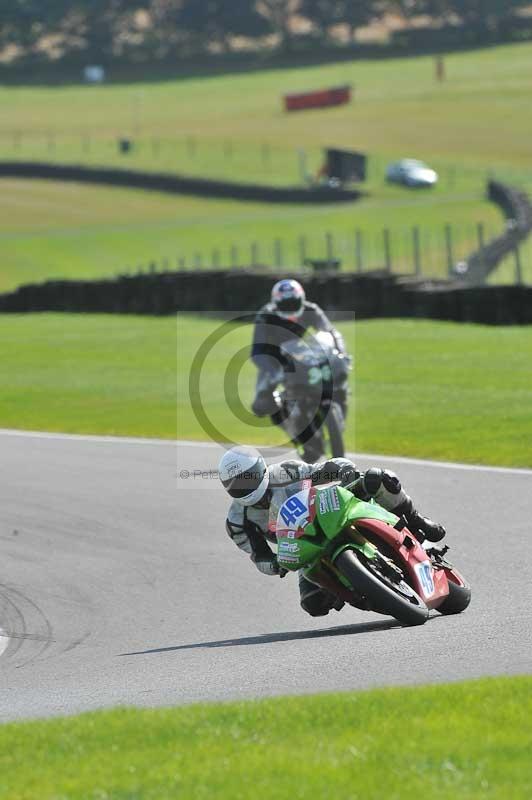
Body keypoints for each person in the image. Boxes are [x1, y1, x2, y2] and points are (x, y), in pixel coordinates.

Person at [219, 446, 446, 618]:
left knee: (378, 478)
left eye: (248, 478)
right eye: (237, 483)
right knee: (313, 603)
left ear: (260, 469)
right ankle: (364, 588)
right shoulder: (238, 522)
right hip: (305, 547)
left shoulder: (286, 472)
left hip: (328, 511)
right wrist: (277, 564)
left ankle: (417, 521)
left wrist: (344, 470)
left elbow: (325, 470)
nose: (245, 486)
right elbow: (259, 556)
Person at [251, 279, 348, 420]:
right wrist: (275, 372)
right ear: (275, 304)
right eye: (284, 305)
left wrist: (341, 352)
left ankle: (338, 412)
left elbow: (331, 332)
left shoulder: (312, 309)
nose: (290, 309)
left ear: (302, 299)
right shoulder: (265, 316)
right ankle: (287, 420)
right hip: (277, 358)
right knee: (261, 405)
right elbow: (257, 352)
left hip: (306, 353)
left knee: (340, 378)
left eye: (293, 303)